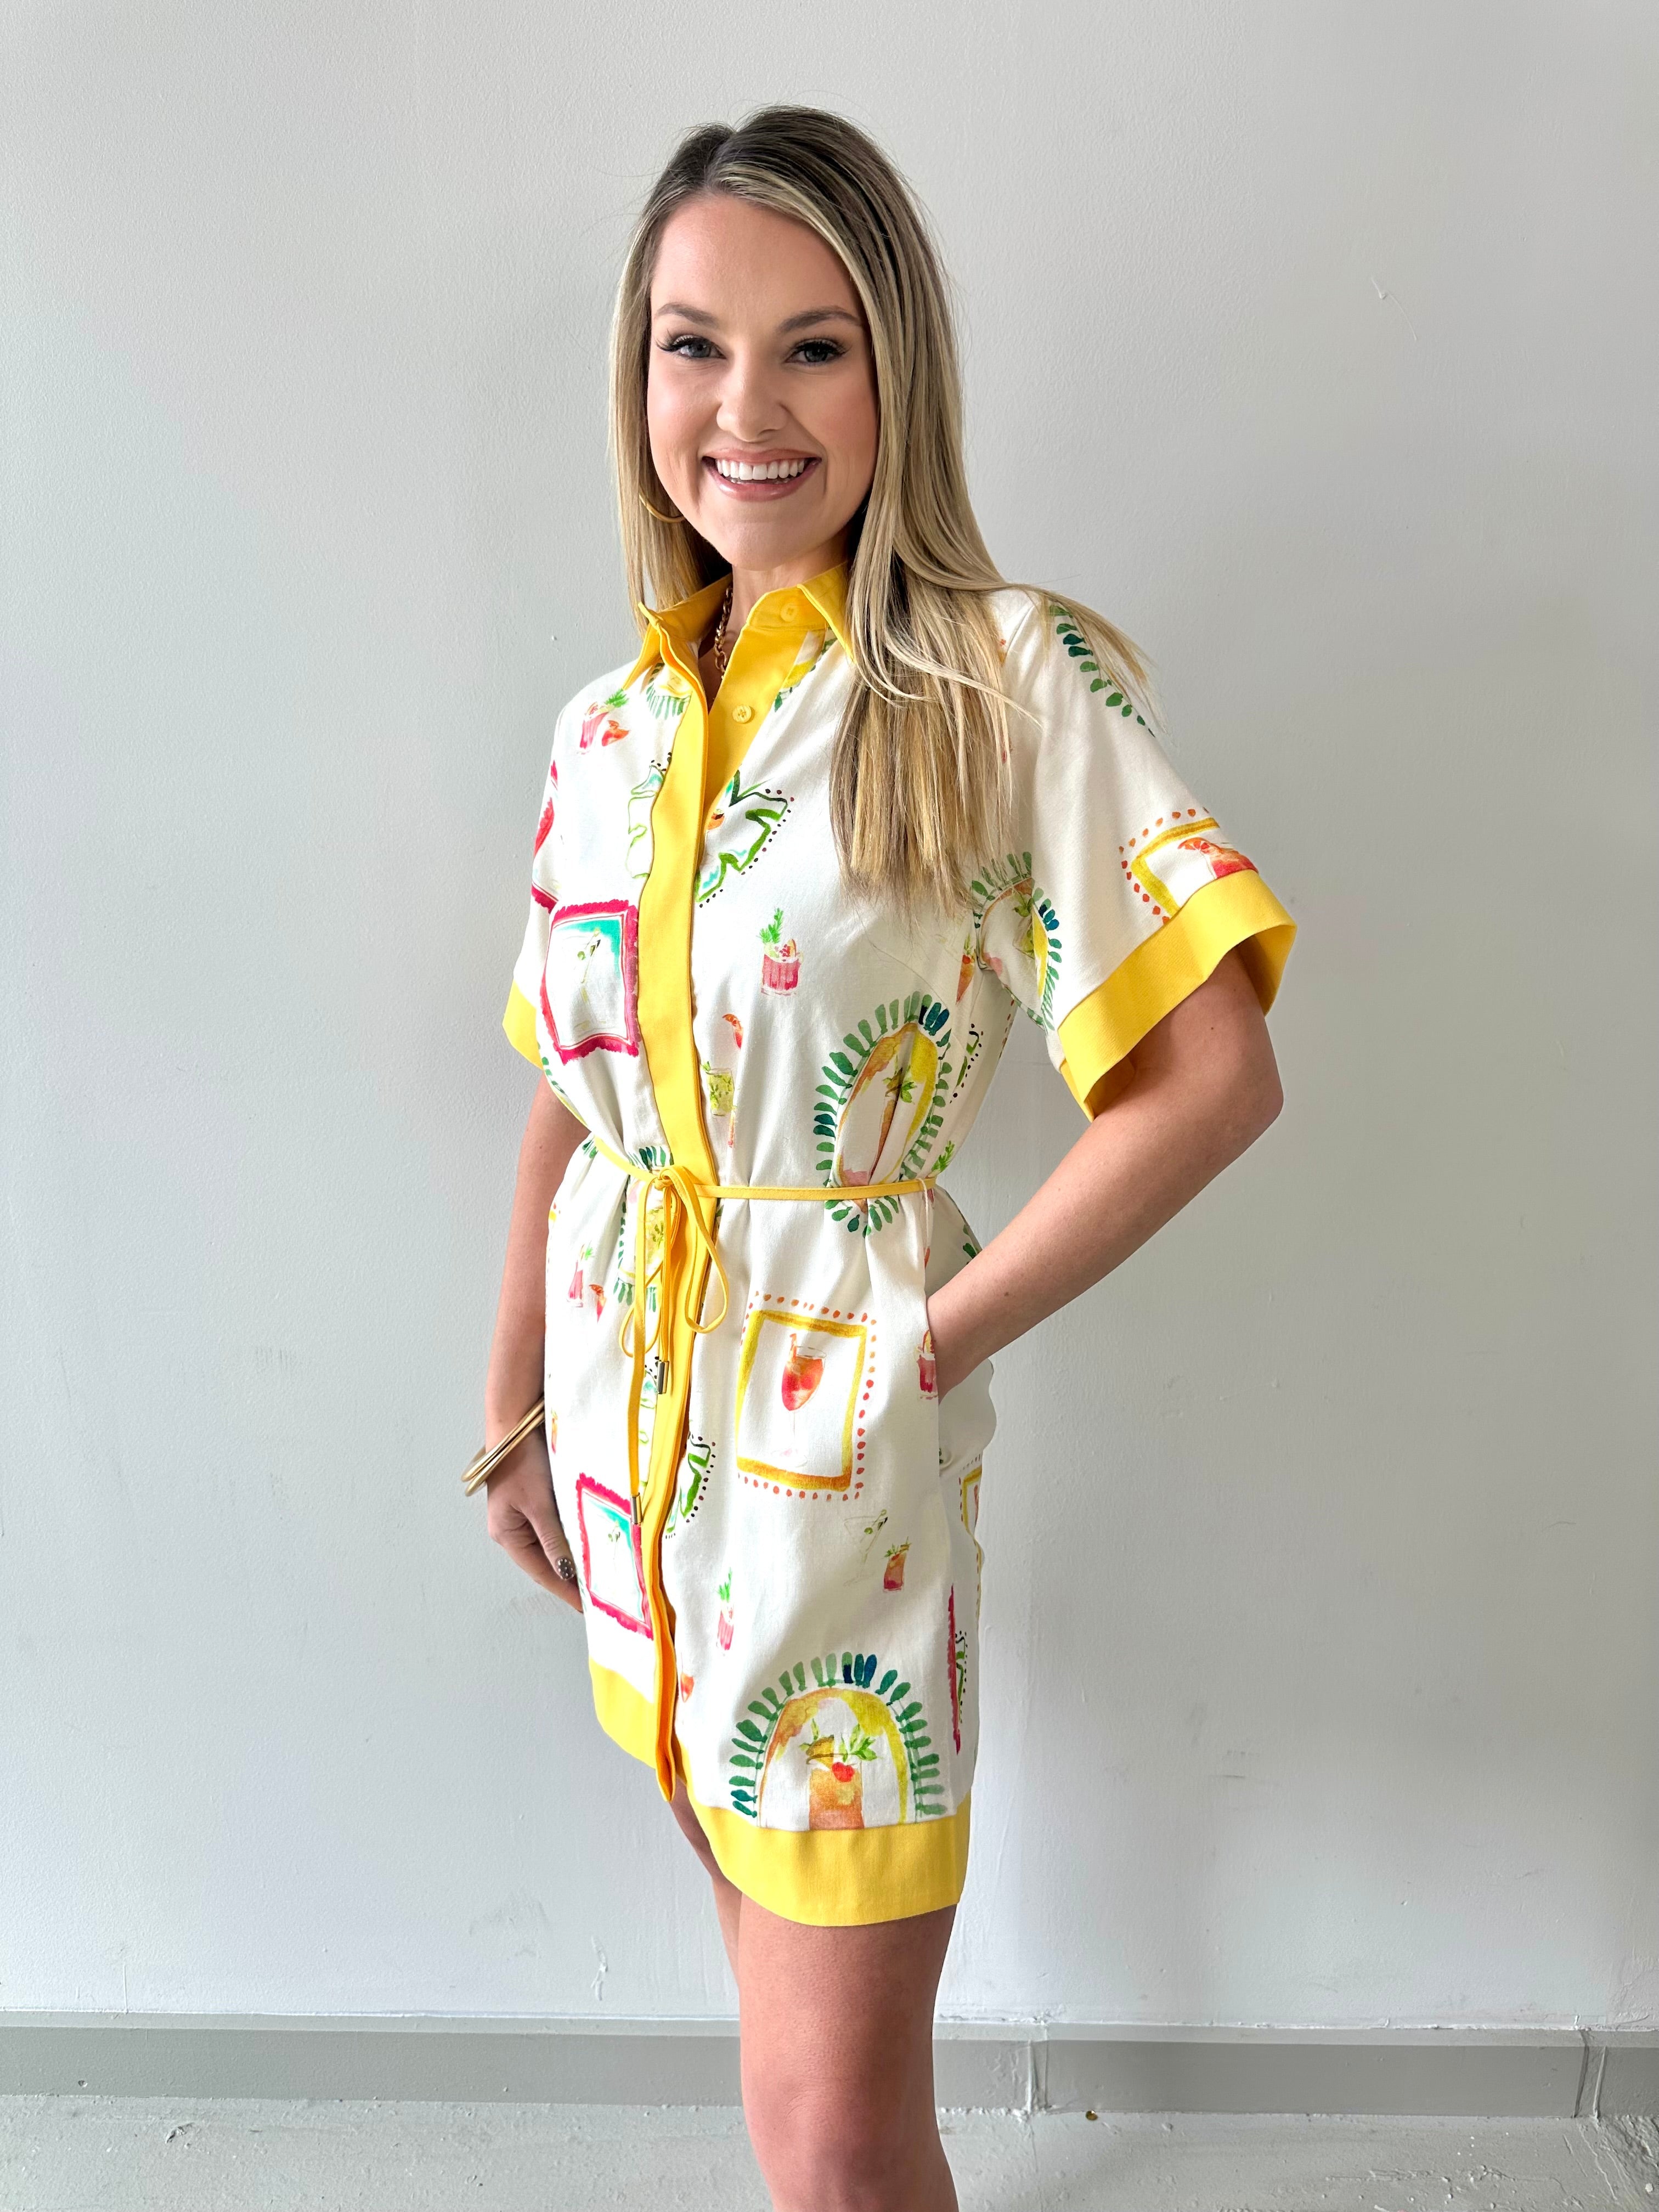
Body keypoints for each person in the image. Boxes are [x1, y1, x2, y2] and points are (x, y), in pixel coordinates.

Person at [478, 104, 1295, 2212]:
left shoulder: (1001, 683)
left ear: (897, 370)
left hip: (835, 1461)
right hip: (629, 1433)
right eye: (693, 346)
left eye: (813, 347)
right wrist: (516, 1404)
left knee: (834, 2138)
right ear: (638, 376)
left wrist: (925, 1342)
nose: (744, 410)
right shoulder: (612, 728)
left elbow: (1210, 1075)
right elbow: (578, 1078)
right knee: (783, 2065)